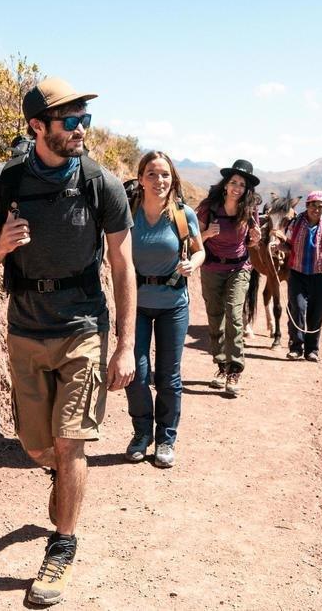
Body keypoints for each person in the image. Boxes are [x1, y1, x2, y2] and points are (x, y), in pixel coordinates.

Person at [0, 77, 135, 606]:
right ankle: (61, 480)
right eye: (71, 121)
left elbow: (122, 264)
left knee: (71, 443)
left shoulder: (100, 183)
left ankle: (62, 545)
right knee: (37, 447)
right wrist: (2, 244)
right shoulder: (4, 182)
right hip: (26, 328)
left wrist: (125, 345)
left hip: (83, 327)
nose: (82, 128)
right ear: (38, 126)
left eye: (85, 118)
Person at [125, 151, 204, 467]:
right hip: (137, 306)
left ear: (173, 179)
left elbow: (201, 252)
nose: (159, 181)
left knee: (169, 377)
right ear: (141, 178)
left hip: (173, 306)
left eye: (165, 175)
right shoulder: (129, 213)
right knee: (137, 375)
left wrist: (192, 264)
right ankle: (142, 434)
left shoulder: (183, 215)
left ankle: (166, 440)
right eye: (152, 174)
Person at [195, 160, 261, 396]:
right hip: (212, 266)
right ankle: (221, 365)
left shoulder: (250, 210)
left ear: (246, 189)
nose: (237, 187)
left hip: (239, 267)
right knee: (215, 316)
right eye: (233, 182)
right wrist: (206, 233)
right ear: (225, 184)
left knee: (234, 315)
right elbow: (192, 241)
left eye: (242, 185)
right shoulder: (208, 207)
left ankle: (235, 369)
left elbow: (252, 241)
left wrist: (256, 238)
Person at [280, 190, 322, 362]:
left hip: (319, 277)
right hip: (298, 274)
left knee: (316, 313)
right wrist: (278, 247)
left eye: (320, 206)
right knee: (297, 309)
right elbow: (288, 246)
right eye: (313, 205)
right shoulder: (295, 224)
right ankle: (296, 348)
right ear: (307, 206)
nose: (317, 209)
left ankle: (312, 350)